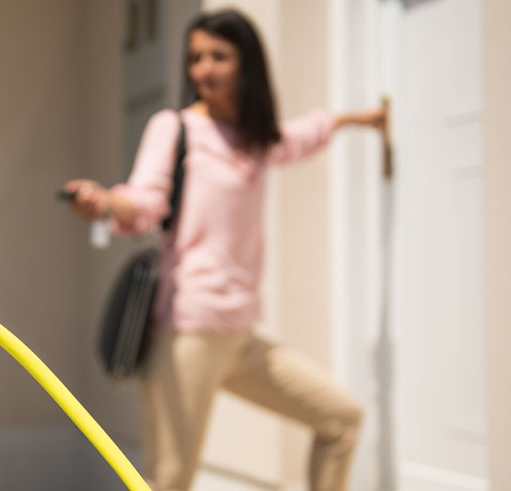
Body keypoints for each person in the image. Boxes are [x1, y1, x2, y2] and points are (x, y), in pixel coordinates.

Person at [63, 9, 385, 491]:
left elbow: (303, 135)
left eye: (219, 57)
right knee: (171, 480)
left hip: (240, 335)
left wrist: (364, 119)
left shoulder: (256, 141)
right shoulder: (176, 129)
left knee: (340, 421)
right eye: (195, 58)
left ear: (247, 65)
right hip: (187, 333)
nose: (203, 69)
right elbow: (146, 201)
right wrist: (107, 203)